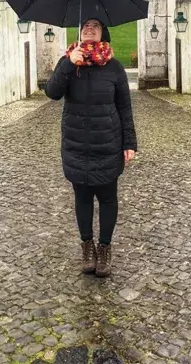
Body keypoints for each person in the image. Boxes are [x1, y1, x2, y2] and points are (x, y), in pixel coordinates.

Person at [45, 18, 137, 277]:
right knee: (82, 198)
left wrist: (129, 142)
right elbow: (52, 92)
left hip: (107, 144)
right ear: (79, 30)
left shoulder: (114, 68)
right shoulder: (68, 62)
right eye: (85, 24)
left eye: (95, 25)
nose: (89, 28)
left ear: (102, 32)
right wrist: (68, 64)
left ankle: (104, 247)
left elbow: (124, 107)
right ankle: (87, 246)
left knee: (108, 198)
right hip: (77, 145)